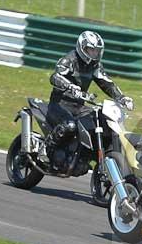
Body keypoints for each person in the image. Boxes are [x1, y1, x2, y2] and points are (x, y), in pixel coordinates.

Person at [45, 30, 133, 170]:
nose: (94, 54)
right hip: (59, 105)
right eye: (91, 50)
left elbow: (107, 83)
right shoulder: (69, 60)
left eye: (96, 51)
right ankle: (47, 151)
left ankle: (89, 156)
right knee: (70, 126)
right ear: (82, 47)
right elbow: (55, 77)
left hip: (79, 107)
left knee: (100, 122)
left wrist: (121, 98)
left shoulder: (95, 66)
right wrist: (69, 86)